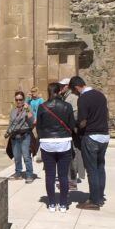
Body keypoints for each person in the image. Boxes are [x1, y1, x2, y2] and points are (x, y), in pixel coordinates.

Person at [69, 76, 110, 211]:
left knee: (92, 170)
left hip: (91, 136)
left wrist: (74, 126)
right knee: (100, 167)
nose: (75, 94)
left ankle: (94, 201)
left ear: (76, 88)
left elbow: (83, 122)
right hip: (104, 136)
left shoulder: (83, 98)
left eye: (74, 92)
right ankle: (99, 197)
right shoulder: (100, 95)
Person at [36, 83, 75, 213]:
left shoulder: (42, 107)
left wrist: (44, 138)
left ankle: (52, 204)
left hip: (47, 143)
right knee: (63, 176)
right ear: (59, 92)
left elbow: (39, 127)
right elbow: (71, 124)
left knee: (50, 175)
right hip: (64, 142)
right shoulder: (67, 106)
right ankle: (63, 204)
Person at [59, 78, 86, 190]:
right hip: (69, 131)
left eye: (62, 86)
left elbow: (75, 115)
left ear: (67, 86)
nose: (60, 88)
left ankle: (72, 182)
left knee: (72, 156)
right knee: (69, 156)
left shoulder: (72, 97)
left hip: (72, 131)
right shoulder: (66, 97)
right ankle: (70, 180)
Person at [5, 91, 35, 184]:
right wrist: (8, 132)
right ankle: (18, 173)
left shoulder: (27, 108)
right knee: (17, 156)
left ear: (23, 100)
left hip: (24, 135)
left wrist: (26, 109)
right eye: (17, 99)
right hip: (14, 136)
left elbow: (32, 119)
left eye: (20, 99)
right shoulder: (13, 111)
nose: (18, 101)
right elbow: (11, 123)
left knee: (26, 156)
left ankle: (29, 174)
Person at [27, 87, 44, 163]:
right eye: (32, 91)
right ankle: (32, 152)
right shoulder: (30, 100)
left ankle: (38, 153)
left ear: (37, 92)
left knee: (38, 137)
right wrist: (28, 97)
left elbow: (41, 110)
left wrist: (37, 119)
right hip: (31, 120)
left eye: (34, 91)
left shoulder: (40, 100)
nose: (33, 93)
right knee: (31, 137)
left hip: (38, 121)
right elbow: (26, 107)